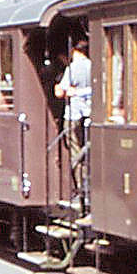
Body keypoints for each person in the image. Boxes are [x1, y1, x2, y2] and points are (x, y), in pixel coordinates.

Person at [54, 38, 91, 201]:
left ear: (74, 51)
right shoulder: (93, 65)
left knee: (76, 152)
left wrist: (59, 86)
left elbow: (59, 93)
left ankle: (81, 190)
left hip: (73, 115)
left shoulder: (73, 68)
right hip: (89, 114)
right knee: (86, 150)